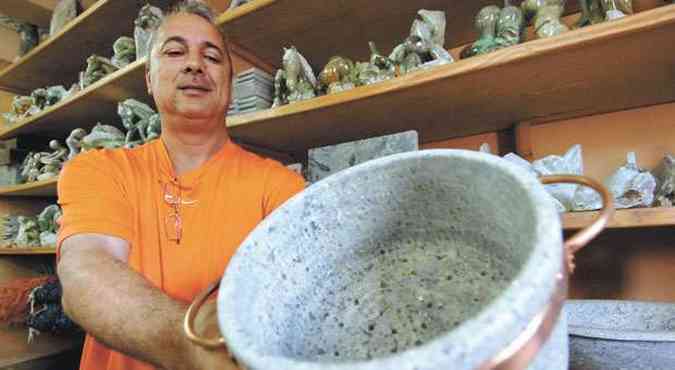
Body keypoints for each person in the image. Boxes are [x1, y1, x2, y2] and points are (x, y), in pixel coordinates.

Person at [56, 2, 305, 370]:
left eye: (213, 57)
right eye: (174, 52)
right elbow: (85, 272)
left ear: (230, 86)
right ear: (149, 78)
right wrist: (198, 347)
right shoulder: (99, 170)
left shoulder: (280, 186)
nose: (194, 64)